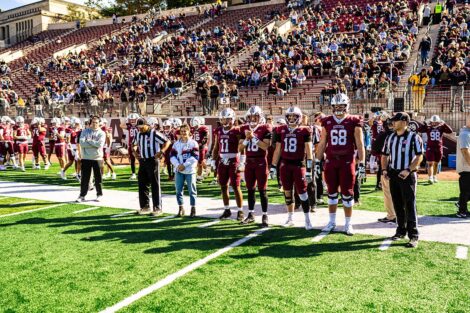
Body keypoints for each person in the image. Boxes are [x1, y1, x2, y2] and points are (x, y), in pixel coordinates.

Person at [316, 93, 366, 235]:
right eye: (336, 106)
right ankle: (331, 222)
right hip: (331, 160)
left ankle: (348, 223)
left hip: (347, 161)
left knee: (347, 193)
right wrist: (317, 161)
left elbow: (360, 144)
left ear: (347, 106)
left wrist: (361, 163)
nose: (338, 108)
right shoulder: (327, 121)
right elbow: (322, 143)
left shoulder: (354, 121)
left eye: (341, 106)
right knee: (331, 192)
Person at [381, 112, 423, 248]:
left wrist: (409, 169)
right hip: (394, 174)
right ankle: (400, 231)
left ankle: (413, 235)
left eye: (395, 121)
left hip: (407, 174)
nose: (393, 123)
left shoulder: (414, 137)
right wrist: (384, 170)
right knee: (397, 203)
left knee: (409, 204)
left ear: (405, 122)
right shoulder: (390, 137)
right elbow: (384, 155)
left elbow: (419, 156)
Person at [270, 106, 314, 229]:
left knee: (303, 193)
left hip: (299, 165)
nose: (292, 118)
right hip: (285, 165)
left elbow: (309, 152)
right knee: (287, 193)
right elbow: (278, 150)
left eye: (294, 116)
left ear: (299, 117)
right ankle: (290, 218)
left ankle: (307, 219)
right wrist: (273, 165)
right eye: (290, 116)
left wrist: (309, 170)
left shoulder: (305, 131)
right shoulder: (280, 130)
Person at [239, 106, 272, 227]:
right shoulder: (244, 128)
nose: (252, 119)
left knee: (262, 190)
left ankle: (265, 215)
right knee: (250, 189)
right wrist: (247, 139)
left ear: (260, 117)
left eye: (255, 116)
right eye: (250, 117)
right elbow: (240, 148)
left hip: (261, 161)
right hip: (249, 161)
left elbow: (265, 146)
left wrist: (253, 137)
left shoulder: (265, 127)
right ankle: (251, 214)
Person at [133, 117, 171, 216]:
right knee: (142, 184)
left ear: (147, 125)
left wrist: (161, 151)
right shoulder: (138, 134)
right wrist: (134, 152)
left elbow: (167, 141)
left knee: (155, 184)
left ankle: (157, 207)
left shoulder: (154, 133)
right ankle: (145, 206)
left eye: (142, 127)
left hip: (152, 160)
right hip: (143, 161)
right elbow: (134, 144)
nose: (140, 129)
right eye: (138, 127)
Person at [212, 108, 244, 221]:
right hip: (222, 160)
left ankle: (240, 210)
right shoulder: (219, 130)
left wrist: (242, 162)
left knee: (236, 186)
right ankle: (227, 209)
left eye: (227, 119)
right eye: (223, 119)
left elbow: (242, 148)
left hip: (233, 160)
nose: (224, 121)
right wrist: (213, 159)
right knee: (223, 186)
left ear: (232, 119)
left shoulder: (237, 131)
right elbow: (216, 147)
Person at [170, 124, 199, 217]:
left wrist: (184, 165)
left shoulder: (193, 143)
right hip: (179, 170)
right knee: (178, 190)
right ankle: (181, 207)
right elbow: (172, 156)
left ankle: (193, 208)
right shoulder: (176, 144)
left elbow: (195, 157)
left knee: (192, 190)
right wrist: (178, 165)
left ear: (188, 132)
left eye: (185, 131)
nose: (183, 133)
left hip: (190, 170)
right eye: (181, 131)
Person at [76, 116, 106, 203]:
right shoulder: (85, 131)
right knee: (84, 178)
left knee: (98, 178)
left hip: (97, 158)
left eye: (96, 122)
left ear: (99, 123)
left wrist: (89, 141)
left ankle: (99, 194)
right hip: (86, 158)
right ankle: (82, 195)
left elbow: (99, 144)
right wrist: (93, 143)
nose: (95, 124)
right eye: (93, 122)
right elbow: (82, 143)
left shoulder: (102, 133)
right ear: (90, 123)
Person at [373, 118, 396, 223]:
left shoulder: (383, 135)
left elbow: (375, 151)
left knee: (388, 193)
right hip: (403, 169)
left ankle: (392, 215)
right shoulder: (407, 135)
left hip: (387, 167)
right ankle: (403, 215)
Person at [418, 115, 452, 183]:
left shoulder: (441, 127)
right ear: (431, 122)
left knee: (436, 163)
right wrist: (424, 124)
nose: (434, 123)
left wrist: (444, 123)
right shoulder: (428, 127)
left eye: (436, 122)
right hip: (430, 148)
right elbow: (419, 130)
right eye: (433, 122)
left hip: (439, 148)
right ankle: (430, 178)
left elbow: (450, 131)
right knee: (430, 163)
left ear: (438, 122)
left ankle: (434, 176)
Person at [456, 115, 470, 218]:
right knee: (465, 191)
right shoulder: (465, 134)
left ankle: (461, 204)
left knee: (466, 191)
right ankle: (462, 210)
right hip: (466, 168)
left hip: (468, 167)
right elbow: (465, 151)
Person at [121, 113, 139, 180]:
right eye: (131, 120)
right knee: (132, 160)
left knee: (141, 160)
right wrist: (126, 119)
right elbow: (121, 125)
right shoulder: (129, 126)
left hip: (139, 145)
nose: (132, 121)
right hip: (131, 144)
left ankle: (142, 172)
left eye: (133, 119)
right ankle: (133, 173)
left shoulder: (139, 125)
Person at [190, 117, 209, 182]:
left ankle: (199, 176)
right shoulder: (192, 129)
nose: (194, 127)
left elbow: (205, 138)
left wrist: (200, 144)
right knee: (199, 161)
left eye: (195, 125)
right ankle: (207, 169)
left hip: (202, 147)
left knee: (199, 162)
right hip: (196, 147)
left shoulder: (203, 128)